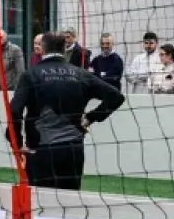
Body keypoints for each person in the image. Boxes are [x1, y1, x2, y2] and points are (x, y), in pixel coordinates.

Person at [11, 32, 124, 190]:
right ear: (64, 49)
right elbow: (116, 97)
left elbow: (15, 111)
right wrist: (90, 118)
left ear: (43, 49)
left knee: (39, 201)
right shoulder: (81, 74)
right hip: (72, 150)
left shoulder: (31, 75)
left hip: (40, 149)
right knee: (69, 203)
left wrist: (16, 141)